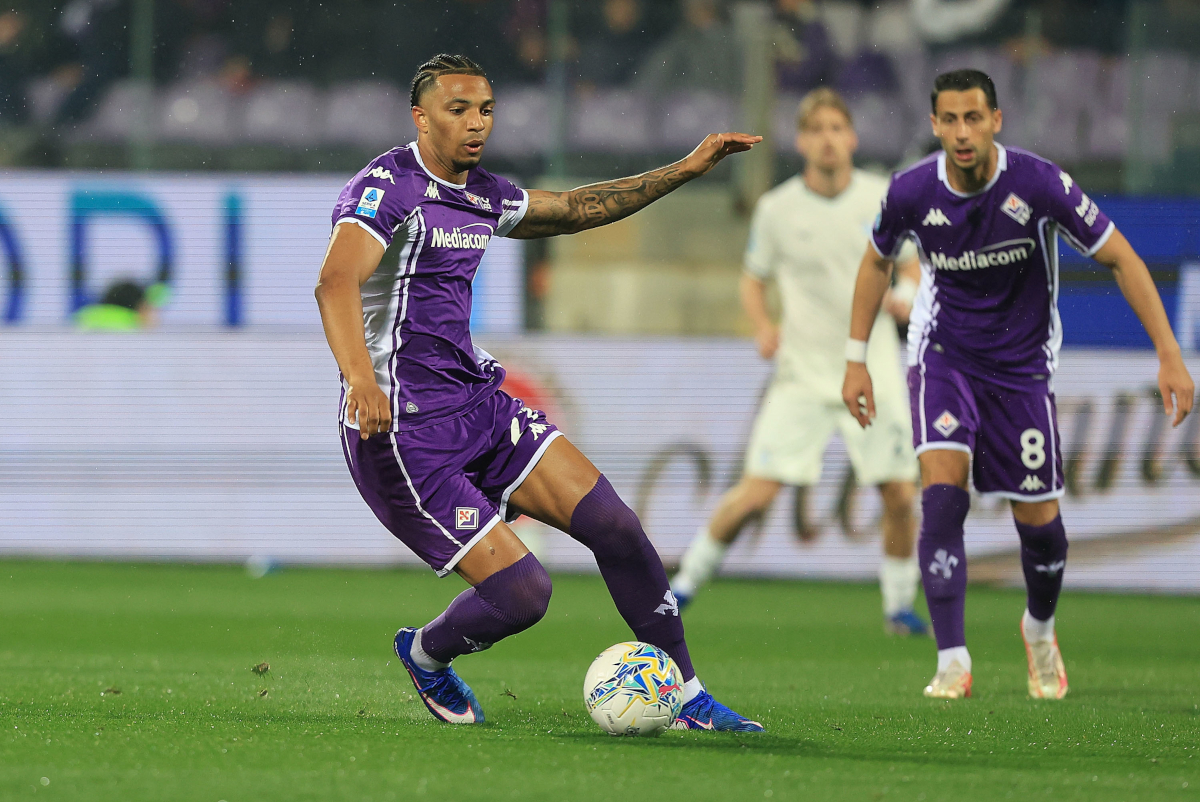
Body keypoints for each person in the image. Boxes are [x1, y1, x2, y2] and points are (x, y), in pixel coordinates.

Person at [314, 54, 765, 731]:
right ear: (421, 117)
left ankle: (687, 696)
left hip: (479, 407)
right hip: (403, 434)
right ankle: (428, 654)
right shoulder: (388, 188)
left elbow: (577, 209)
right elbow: (335, 282)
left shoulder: (483, 193)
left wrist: (684, 170)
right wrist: (359, 377)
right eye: (458, 110)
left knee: (615, 526)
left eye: (486, 110)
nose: (475, 124)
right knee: (525, 593)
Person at [842, 68, 1195, 700]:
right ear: (934, 126)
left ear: (996, 121)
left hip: (1022, 367)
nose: (962, 132)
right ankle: (952, 659)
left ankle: (1039, 629)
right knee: (943, 499)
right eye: (949, 120)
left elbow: (1122, 257)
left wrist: (1169, 354)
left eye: (973, 118)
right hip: (943, 356)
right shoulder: (911, 191)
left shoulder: (1038, 183)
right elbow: (876, 259)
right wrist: (854, 357)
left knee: (1040, 525)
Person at [670, 88, 928, 636]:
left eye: (838, 127)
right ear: (802, 140)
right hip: (802, 374)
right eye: (817, 129)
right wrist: (763, 327)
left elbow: (911, 267)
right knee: (755, 493)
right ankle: (683, 586)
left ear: (852, 137)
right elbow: (752, 277)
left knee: (900, 493)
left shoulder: (883, 197)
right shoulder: (778, 208)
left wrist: (907, 295)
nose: (828, 139)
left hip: (873, 371)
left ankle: (899, 606)